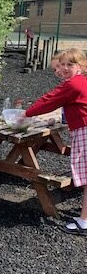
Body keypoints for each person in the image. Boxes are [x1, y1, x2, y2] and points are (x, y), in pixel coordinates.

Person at [24, 48, 87, 235]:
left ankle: (84, 222)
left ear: (81, 67)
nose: (65, 68)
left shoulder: (74, 84)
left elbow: (49, 100)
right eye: (63, 64)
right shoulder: (80, 82)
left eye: (70, 64)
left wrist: (26, 114)